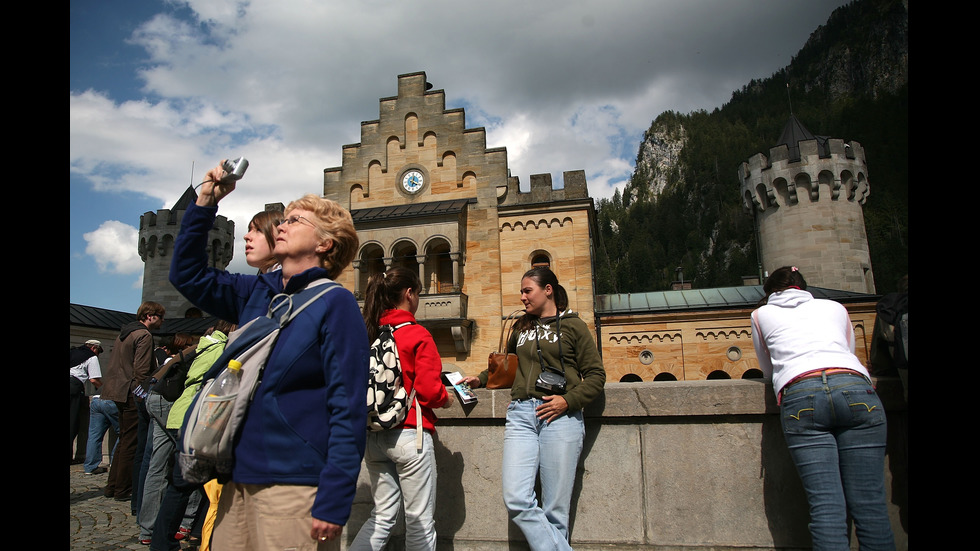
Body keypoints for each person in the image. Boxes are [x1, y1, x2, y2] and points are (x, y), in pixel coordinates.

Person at [168, 161, 369, 550]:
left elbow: (347, 407)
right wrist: (205, 201)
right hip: (235, 476)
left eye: (295, 220)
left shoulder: (337, 304)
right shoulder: (257, 292)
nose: (281, 225)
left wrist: (334, 497)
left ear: (325, 243)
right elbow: (186, 274)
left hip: (294, 485)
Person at [750, 266, 894, 550]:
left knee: (825, 505)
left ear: (770, 291)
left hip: (801, 394)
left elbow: (767, 369)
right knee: (871, 505)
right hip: (855, 388)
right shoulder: (835, 307)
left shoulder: (760, 314)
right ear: (804, 287)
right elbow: (850, 352)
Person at [462, 267, 605, 551]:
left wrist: (568, 400)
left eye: (528, 290)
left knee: (555, 511)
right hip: (521, 415)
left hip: (559, 417)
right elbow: (508, 367)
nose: (522, 297)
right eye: (522, 291)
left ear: (548, 290)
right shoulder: (521, 326)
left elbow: (596, 376)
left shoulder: (574, 325)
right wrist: (479, 378)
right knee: (516, 497)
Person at [350, 267, 453, 551]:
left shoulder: (368, 333)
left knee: (381, 517)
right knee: (419, 521)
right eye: (418, 293)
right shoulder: (417, 334)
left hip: (373, 436)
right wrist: (447, 398)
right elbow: (430, 392)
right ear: (409, 294)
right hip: (409, 435)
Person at [151, 322, 235, 551]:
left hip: (183, 412)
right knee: (187, 483)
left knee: (186, 482)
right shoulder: (221, 348)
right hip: (197, 418)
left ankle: (188, 534)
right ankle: (168, 541)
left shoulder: (203, 344)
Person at [101, 302, 165, 501]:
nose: (162, 321)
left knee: (124, 441)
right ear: (151, 316)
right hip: (131, 392)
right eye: (161, 317)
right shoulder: (143, 335)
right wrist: (142, 394)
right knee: (131, 442)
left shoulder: (125, 333)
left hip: (116, 390)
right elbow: (141, 370)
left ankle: (113, 486)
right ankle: (123, 489)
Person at [138, 333, 195, 545]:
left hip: (154, 396)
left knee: (157, 467)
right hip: (170, 401)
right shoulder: (210, 347)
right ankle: (185, 523)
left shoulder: (191, 350)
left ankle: (147, 529)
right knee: (193, 463)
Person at [71, 339, 103, 463]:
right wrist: (104, 388)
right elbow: (94, 380)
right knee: (72, 422)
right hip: (73, 387)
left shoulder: (73, 352)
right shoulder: (91, 357)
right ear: (94, 348)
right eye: (98, 352)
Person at [83, 394, 119, 475]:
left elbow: (93, 380)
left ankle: (90, 467)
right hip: (112, 399)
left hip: (96, 399)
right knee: (125, 432)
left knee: (94, 435)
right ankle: (115, 463)